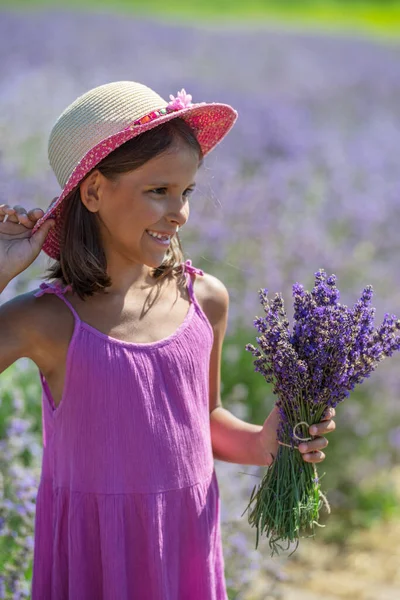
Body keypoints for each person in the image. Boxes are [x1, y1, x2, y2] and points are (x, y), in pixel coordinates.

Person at [0, 81, 336, 599]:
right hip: (95, 552)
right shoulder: (47, 322)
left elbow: (204, 422)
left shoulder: (206, 299)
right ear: (92, 192)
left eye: (186, 192)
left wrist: (269, 442)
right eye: (158, 190)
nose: (179, 212)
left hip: (183, 542)